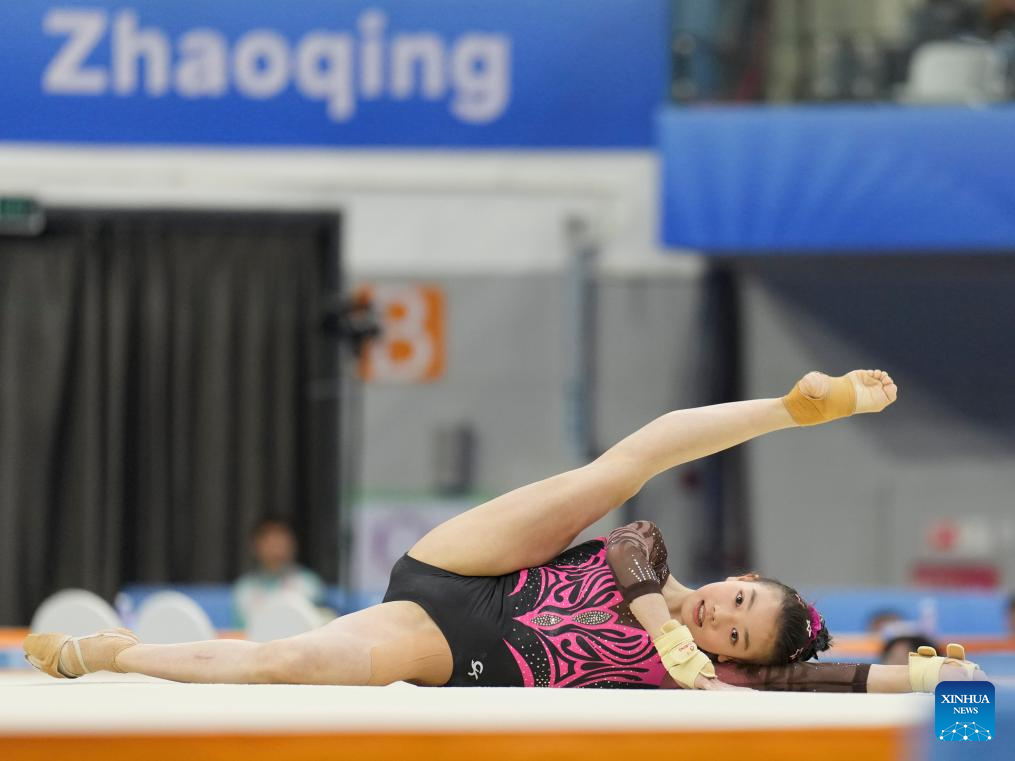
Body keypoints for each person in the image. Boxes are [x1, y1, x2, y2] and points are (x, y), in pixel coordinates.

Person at [24, 369, 987, 693]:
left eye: (733, 631)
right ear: (738, 572)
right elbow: (630, 544)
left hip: (460, 642)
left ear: (739, 658)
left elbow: (840, 681)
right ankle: (790, 408)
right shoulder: (657, 573)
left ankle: (114, 652)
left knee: (288, 661)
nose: (719, 616)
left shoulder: (718, 673)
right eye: (735, 596)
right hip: (478, 566)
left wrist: (948, 686)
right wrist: (661, 621)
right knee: (613, 471)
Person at [233, 517, 327, 629]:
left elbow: (320, 627)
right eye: (268, 541)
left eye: (281, 540)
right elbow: (240, 631)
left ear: (293, 544)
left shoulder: (308, 584)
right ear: (254, 546)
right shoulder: (244, 588)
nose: (275, 547)